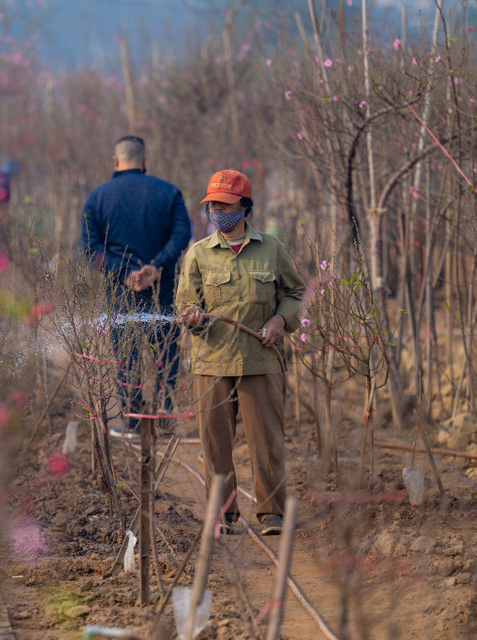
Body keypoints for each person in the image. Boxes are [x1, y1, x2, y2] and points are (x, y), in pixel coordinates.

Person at [175, 169, 305, 536]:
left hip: (260, 359)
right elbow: (186, 303)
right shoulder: (198, 254)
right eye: (213, 205)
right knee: (215, 443)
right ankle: (223, 514)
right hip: (212, 362)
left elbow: (295, 294)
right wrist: (193, 317)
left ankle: (271, 513)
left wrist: (280, 321)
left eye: (226, 205)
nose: (218, 211)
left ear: (245, 208)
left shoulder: (272, 249)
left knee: (266, 439)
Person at [80, 135, 192, 437]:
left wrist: (124, 273)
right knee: (166, 352)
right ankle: (165, 416)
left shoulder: (98, 197)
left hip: (121, 291)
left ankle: (131, 423)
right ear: (144, 161)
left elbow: (91, 249)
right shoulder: (168, 192)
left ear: (115, 161)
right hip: (163, 286)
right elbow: (182, 234)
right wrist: (155, 267)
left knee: (126, 355)